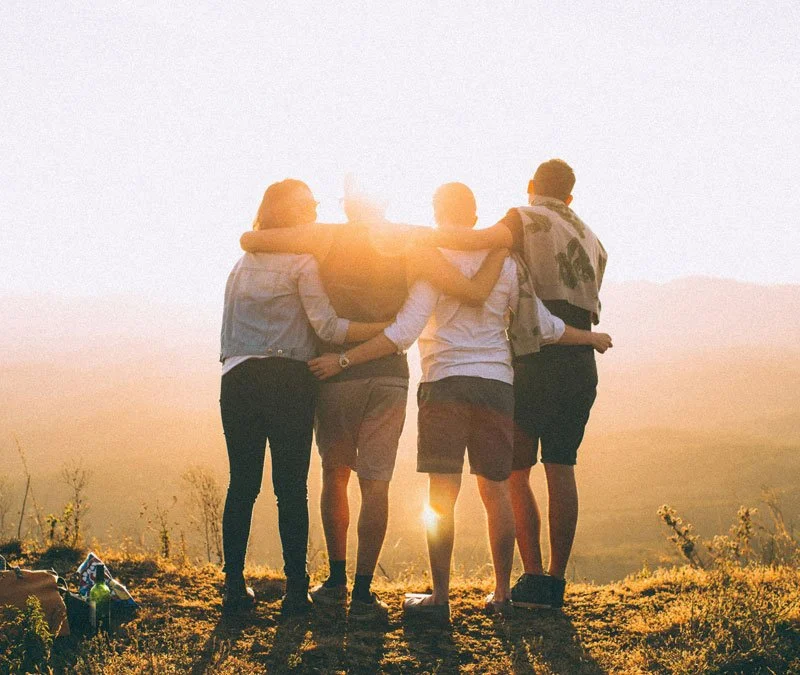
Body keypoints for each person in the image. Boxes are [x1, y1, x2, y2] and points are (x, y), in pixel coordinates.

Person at [308, 182, 611, 620]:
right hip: (497, 386)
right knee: (497, 492)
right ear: (474, 217)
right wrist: (591, 337)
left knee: (441, 496)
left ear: (436, 213)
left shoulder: (431, 260)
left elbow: (404, 331)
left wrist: (344, 359)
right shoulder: (506, 262)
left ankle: (441, 598)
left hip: (444, 382)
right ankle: (503, 594)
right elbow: (544, 325)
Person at [239, 186, 508, 623]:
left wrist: (253, 238)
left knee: (335, 474)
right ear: (384, 202)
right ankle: (364, 593)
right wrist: (501, 240)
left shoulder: (325, 236)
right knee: (376, 483)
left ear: (347, 204)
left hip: (336, 372)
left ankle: (336, 581)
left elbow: (252, 241)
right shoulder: (409, 238)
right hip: (389, 375)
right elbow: (473, 259)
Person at [419, 160, 608, 609]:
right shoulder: (593, 238)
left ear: (531, 187)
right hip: (578, 360)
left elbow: (477, 241)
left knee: (514, 474)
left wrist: (412, 239)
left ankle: (531, 577)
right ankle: (554, 585)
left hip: (534, 358)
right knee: (562, 467)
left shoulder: (523, 219)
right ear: (571, 196)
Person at [219, 179, 390, 615]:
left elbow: (228, 334)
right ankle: (296, 591)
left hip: (238, 378)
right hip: (288, 381)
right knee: (290, 488)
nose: (315, 208)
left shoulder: (241, 265)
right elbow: (329, 329)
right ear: (288, 213)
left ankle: (234, 588)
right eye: (307, 204)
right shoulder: (302, 262)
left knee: (242, 484)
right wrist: (385, 331)